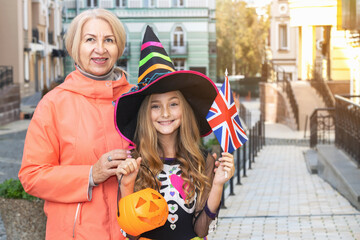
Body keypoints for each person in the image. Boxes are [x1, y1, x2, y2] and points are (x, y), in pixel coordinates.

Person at [18, 9, 133, 240]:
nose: (100, 49)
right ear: (74, 47)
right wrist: (91, 174)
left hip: (131, 231)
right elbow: (32, 176)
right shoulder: (53, 104)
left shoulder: (136, 99)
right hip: (74, 234)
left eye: (108, 40)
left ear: (118, 47)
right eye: (90, 39)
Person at [114, 26, 235, 240]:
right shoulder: (134, 163)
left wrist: (217, 185)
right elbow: (131, 234)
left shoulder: (203, 161)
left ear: (185, 110)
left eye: (173, 103)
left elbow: (201, 230)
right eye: (155, 106)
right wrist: (126, 185)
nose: (165, 113)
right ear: (145, 113)